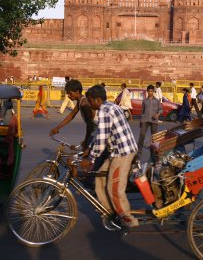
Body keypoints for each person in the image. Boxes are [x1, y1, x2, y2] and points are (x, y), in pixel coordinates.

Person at [80, 84, 139, 228]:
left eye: (90, 100)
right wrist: (89, 148)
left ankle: (127, 218)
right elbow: (100, 133)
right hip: (117, 151)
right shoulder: (112, 106)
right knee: (99, 176)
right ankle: (108, 209)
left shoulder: (105, 111)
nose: (89, 103)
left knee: (115, 188)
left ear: (98, 100)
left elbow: (102, 137)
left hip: (123, 153)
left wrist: (91, 158)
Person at [50, 79, 96, 151]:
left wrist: (86, 141)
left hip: (98, 131)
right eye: (67, 94)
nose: (68, 96)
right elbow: (72, 115)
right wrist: (57, 128)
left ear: (77, 92)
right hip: (95, 131)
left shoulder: (84, 104)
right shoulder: (80, 100)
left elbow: (90, 125)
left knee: (87, 155)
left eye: (70, 93)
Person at [137, 84, 163, 159]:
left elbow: (161, 109)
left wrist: (157, 115)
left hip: (154, 120)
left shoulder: (157, 101)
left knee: (154, 137)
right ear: (147, 91)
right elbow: (142, 111)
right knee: (142, 135)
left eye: (151, 91)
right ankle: (139, 151)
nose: (150, 92)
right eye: (149, 91)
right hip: (145, 120)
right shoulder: (145, 101)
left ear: (153, 92)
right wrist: (140, 121)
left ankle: (154, 151)